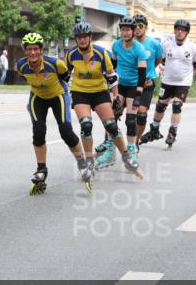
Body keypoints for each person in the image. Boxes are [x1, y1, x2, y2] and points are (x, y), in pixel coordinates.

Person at [14, 32, 93, 194]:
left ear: (42, 50)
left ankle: (82, 163)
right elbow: (27, 78)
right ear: (25, 51)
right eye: (29, 49)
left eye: (36, 49)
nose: (33, 53)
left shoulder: (55, 63)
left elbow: (65, 78)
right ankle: (41, 169)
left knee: (66, 131)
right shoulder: (21, 66)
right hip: (38, 97)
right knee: (38, 132)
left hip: (58, 96)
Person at [65, 21, 140, 175]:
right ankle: (90, 161)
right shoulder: (72, 54)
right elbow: (65, 75)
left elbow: (111, 77)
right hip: (80, 93)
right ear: (76, 39)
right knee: (86, 126)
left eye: (85, 36)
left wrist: (116, 98)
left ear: (90, 37)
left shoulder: (101, 53)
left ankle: (126, 156)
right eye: (79, 37)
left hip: (99, 92)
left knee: (111, 126)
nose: (82, 40)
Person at [141, 19, 196, 147]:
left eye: (183, 30)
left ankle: (172, 132)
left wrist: (191, 72)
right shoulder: (167, 42)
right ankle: (154, 129)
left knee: (176, 105)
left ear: (187, 33)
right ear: (175, 31)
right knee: (160, 106)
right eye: (178, 30)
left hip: (183, 82)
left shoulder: (192, 47)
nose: (180, 32)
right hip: (167, 80)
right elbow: (159, 54)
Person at [96, 17, 148, 161]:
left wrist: (138, 94)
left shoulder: (139, 49)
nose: (125, 33)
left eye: (128, 30)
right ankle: (109, 147)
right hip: (119, 86)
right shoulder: (116, 45)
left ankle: (131, 150)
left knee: (131, 120)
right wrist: (109, 86)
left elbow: (142, 74)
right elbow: (111, 67)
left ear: (133, 31)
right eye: (123, 30)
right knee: (111, 118)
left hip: (133, 86)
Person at [129, 14, 164, 144]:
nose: (137, 28)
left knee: (141, 115)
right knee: (118, 113)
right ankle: (109, 141)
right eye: (135, 26)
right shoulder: (128, 43)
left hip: (147, 82)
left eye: (140, 26)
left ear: (146, 28)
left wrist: (147, 73)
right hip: (131, 83)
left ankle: (136, 142)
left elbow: (159, 59)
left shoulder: (154, 44)